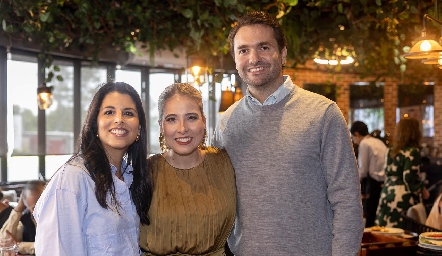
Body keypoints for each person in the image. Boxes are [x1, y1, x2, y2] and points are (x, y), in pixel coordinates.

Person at [213, 11, 363, 256]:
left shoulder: (324, 114)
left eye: (263, 47)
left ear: (282, 53)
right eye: (243, 50)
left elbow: (347, 201)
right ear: (235, 58)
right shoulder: (226, 125)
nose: (253, 58)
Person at [33, 82, 152, 255]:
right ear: (95, 124)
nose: (119, 119)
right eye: (109, 112)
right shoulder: (73, 179)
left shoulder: (131, 179)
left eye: (128, 113)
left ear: (139, 128)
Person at [139, 83, 236, 256]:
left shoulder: (225, 163)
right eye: (172, 119)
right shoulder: (145, 171)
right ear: (161, 126)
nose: (182, 128)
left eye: (191, 117)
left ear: (204, 121)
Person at [376, 117, 429, 228]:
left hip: (387, 192)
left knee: (386, 234)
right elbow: (409, 178)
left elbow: (386, 172)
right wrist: (422, 189)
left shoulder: (390, 150)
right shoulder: (412, 152)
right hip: (402, 197)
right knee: (403, 235)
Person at [350, 121, 388, 228]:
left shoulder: (364, 144)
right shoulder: (378, 142)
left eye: (353, 137)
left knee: (369, 217)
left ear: (356, 134)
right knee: (377, 216)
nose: (354, 141)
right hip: (384, 183)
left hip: (373, 185)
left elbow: (363, 170)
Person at [0, 181, 43, 255]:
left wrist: (19, 246)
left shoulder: (60, 219)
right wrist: (18, 209)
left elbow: (48, 245)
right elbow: (4, 243)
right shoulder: (26, 218)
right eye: (34, 208)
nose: (40, 211)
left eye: (42, 205)